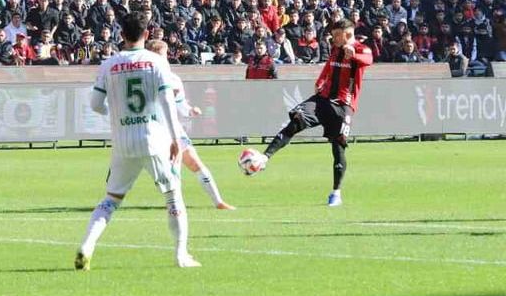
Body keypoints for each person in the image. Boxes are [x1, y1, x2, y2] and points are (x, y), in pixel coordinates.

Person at [75, 10, 199, 270]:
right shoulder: (156, 62)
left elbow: (96, 105)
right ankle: (181, 255)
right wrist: (176, 139)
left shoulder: (109, 64)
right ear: (146, 34)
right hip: (154, 139)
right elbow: (167, 100)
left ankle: (87, 246)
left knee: (110, 199)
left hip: (123, 142)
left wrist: (116, 114)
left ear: (121, 35)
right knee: (173, 196)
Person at [242, 19, 373, 207]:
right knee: (296, 119)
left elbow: (368, 60)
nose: (333, 38)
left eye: (336, 35)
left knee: (338, 149)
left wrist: (353, 55)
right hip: (322, 99)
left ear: (347, 33)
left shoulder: (361, 49)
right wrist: (320, 80)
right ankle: (265, 157)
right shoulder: (335, 49)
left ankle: (336, 193)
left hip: (343, 105)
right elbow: (328, 66)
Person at [146, 39, 233, 210]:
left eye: (165, 55)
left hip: (175, 131)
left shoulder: (173, 79)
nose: (165, 58)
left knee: (195, 163)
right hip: (155, 132)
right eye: (161, 55)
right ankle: (175, 204)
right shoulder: (145, 79)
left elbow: (181, 106)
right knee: (171, 169)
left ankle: (218, 202)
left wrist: (190, 110)